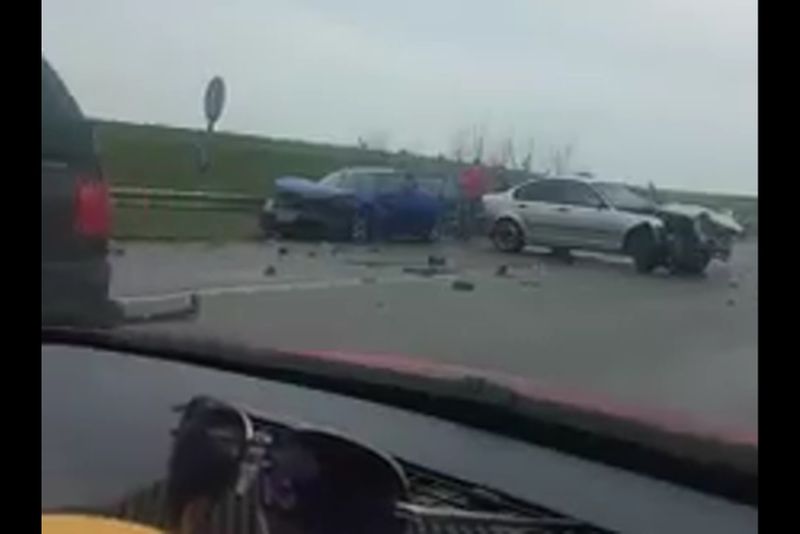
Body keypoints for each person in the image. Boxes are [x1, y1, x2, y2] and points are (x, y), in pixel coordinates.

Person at [457, 159, 491, 239]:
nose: (477, 168)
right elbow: (483, 187)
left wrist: (463, 184)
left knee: (465, 215)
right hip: (474, 197)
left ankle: (464, 233)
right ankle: (467, 233)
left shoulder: (470, 172)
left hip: (468, 197)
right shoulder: (479, 174)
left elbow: (462, 182)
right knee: (470, 215)